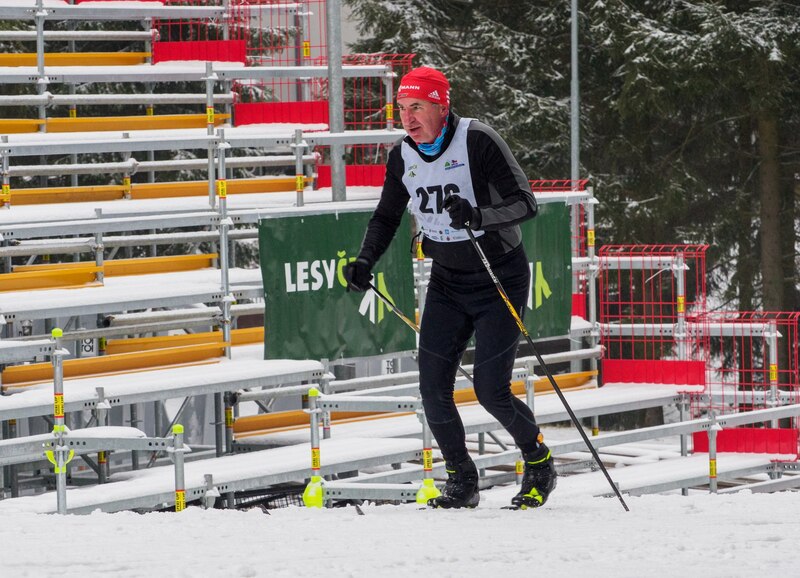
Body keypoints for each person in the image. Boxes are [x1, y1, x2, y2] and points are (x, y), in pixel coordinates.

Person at [343, 66, 556, 509]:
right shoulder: (402, 155)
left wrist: (478, 216)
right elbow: (386, 216)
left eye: (417, 107)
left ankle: (539, 463)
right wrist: (365, 261)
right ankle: (462, 479)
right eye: (402, 109)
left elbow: (526, 203)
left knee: (490, 390)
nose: (408, 118)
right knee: (432, 388)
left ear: (442, 106)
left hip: (498, 276)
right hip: (447, 281)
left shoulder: (477, 140)